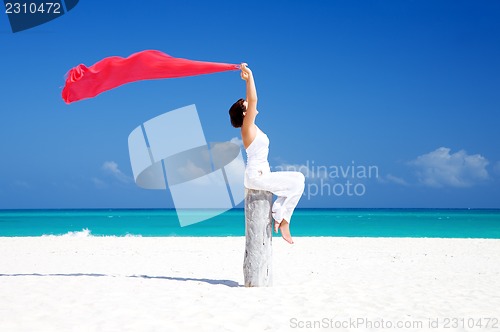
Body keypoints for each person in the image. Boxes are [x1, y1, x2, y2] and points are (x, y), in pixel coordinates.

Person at [229, 63, 305, 244]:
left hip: (262, 174)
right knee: (296, 183)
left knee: (298, 179)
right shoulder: (247, 129)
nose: (252, 104)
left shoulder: (253, 127)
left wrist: (246, 79)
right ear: (245, 113)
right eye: (247, 106)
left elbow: (250, 99)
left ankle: (279, 213)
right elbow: (253, 99)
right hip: (256, 176)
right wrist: (251, 75)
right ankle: (283, 219)